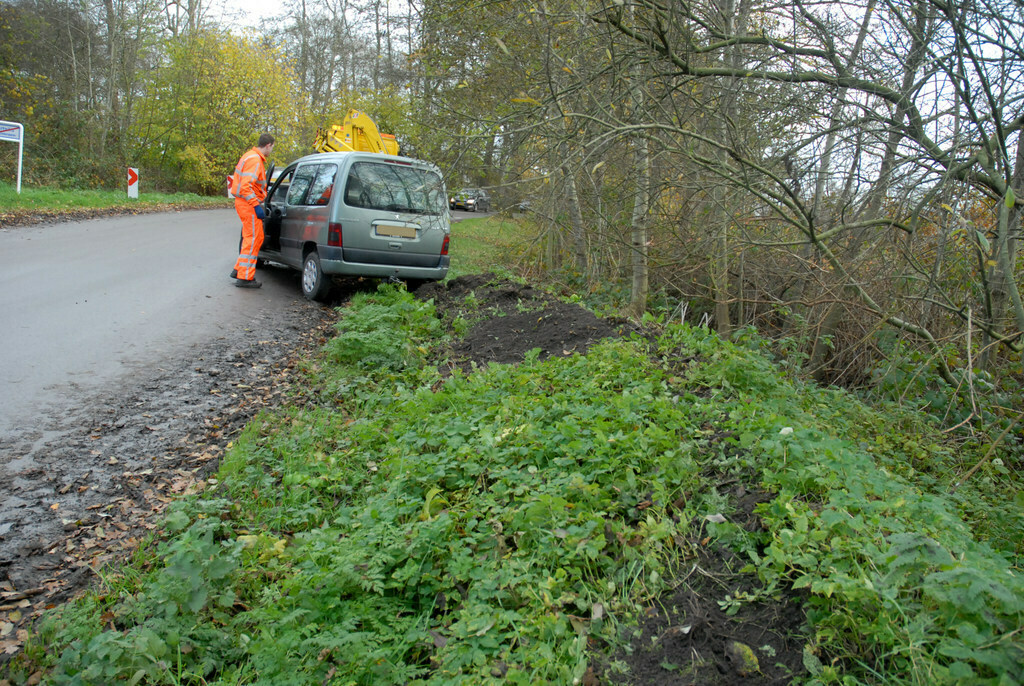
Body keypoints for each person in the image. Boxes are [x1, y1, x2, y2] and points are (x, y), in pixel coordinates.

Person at [230, 133, 275, 288]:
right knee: (253, 238)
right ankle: (245, 277)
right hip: (248, 204)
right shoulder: (255, 160)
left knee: (252, 237)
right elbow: (245, 186)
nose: (271, 151)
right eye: (272, 147)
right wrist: (256, 205)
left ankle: (239, 269)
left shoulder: (249, 156)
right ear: (268, 145)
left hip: (244, 203)